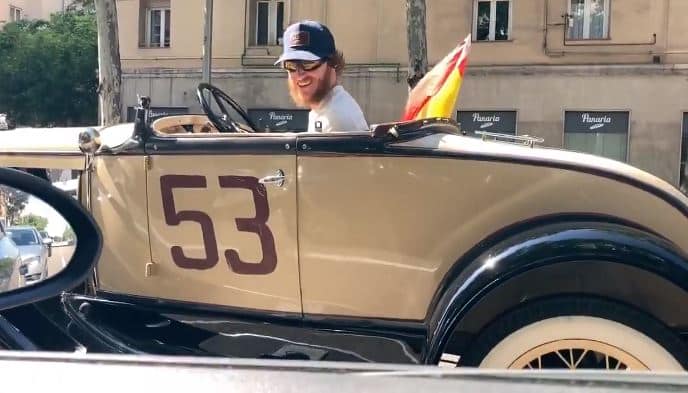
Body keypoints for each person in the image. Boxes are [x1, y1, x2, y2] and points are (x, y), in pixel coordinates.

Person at [275, 20, 369, 133]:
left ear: (333, 64)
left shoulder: (337, 117)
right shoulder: (325, 109)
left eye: (308, 63)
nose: (299, 75)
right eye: (291, 65)